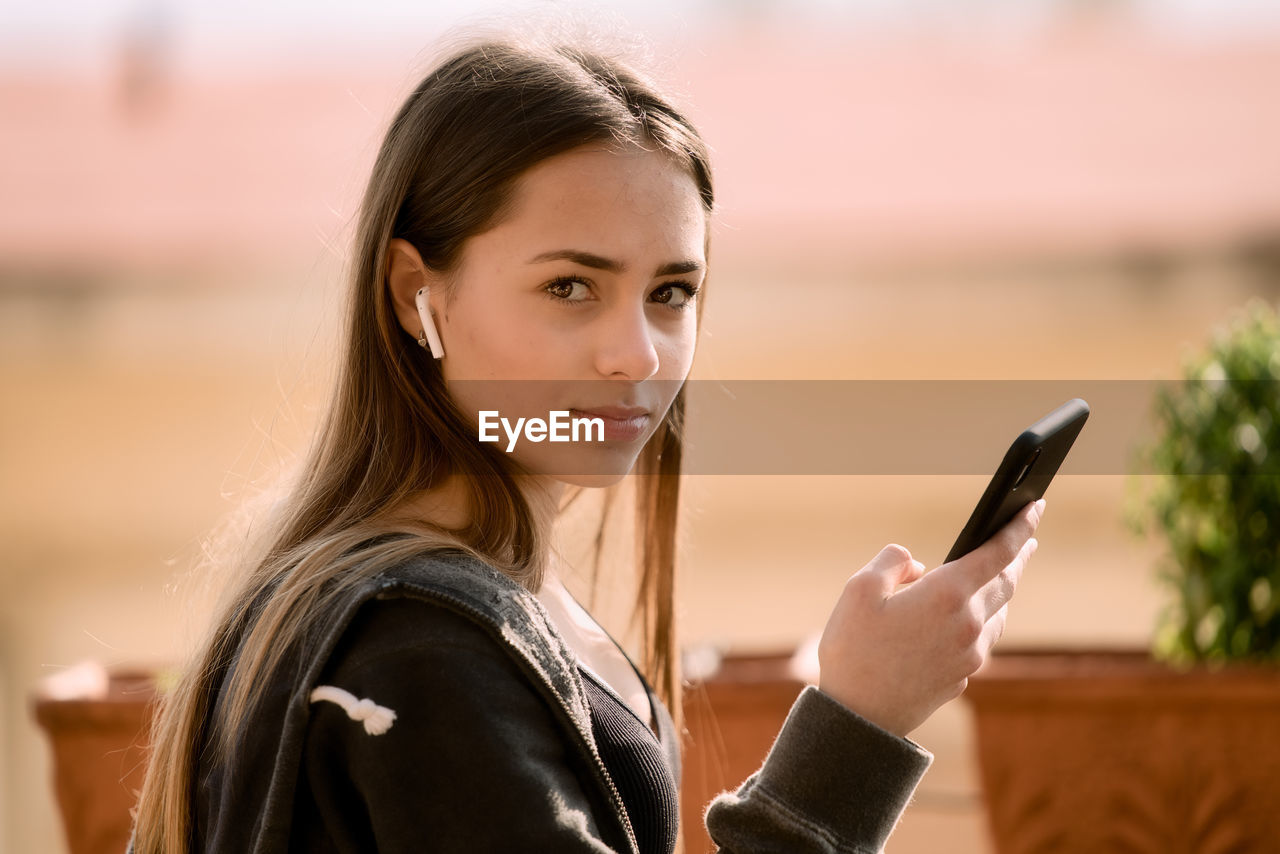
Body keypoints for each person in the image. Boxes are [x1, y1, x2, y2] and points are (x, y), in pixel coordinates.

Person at [129, 30, 1043, 854]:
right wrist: (857, 724)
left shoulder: (453, 606)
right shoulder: (419, 650)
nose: (636, 353)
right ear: (417, 294)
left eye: (672, 292)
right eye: (571, 286)